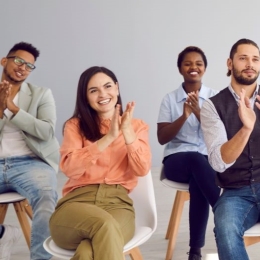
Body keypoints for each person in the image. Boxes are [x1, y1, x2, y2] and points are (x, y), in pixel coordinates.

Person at [49, 66, 151, 260]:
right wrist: (109, 138)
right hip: (76, 205)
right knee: (105, 225)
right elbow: (70, 169)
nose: (102, 94)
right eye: (93, 90)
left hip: (118, 205)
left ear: (117, 88)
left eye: (107, 86)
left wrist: (126, 132)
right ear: (85, 97)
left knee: (88, 251)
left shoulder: (138, 126)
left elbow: (142, 168)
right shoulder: (75, 126)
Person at [157, 46, 221, 260]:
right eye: (188, 63)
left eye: (198, 63)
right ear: (180, 69)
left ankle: (195, 252)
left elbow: (220, 134)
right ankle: (222, 211)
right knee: (195, 161)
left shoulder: (215, 97)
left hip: (205, 163)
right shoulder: (169, 99)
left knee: (199, 180)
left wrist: (198, 112)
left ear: (204, 68)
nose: (193, 67)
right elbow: (162, 138)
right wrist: (184, 116)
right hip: (177, 161)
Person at [201, 38, 260, 260]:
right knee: (225, 229)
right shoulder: (212, 106)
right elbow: (218, 162)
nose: (249, 64)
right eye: (243, 58)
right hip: (236, 192)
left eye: (255, 59)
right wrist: (246, 128)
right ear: (230, 63)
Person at [0, 42, 59, 260]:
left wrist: (13, 109)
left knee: (46, 196)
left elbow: (47, 132)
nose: (23, 67)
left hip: (30, 163)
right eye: (19, 61)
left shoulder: (41, 94)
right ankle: (3, 234)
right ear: (4, 61)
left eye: (29, 66)